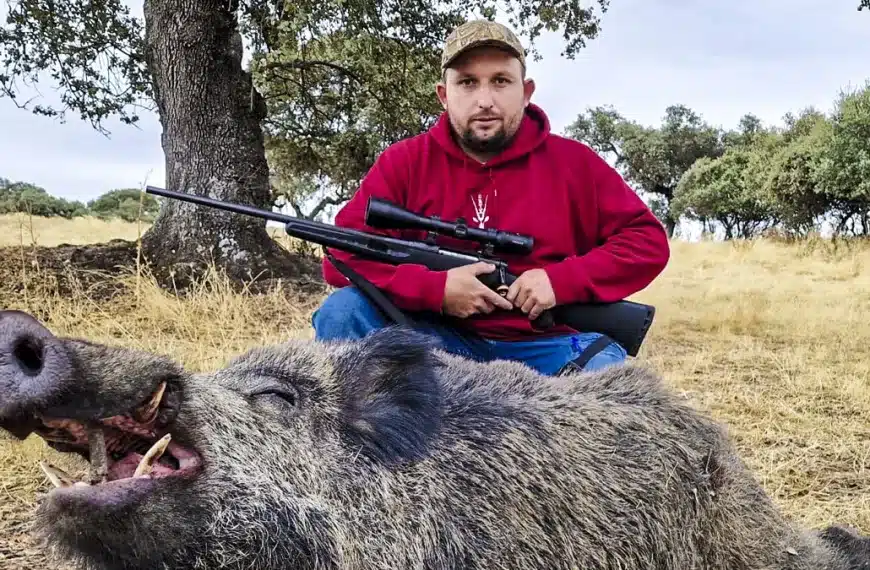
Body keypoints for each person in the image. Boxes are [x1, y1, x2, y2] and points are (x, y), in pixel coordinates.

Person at [311, 19, 670, 376]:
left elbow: (646, 241)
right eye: (467, 82)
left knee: (609, 383)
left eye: (500, 81)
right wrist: (436, 290)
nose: (484, 100)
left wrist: (559, 282)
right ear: (444, 94)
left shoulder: (576, 164)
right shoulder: (403, 162)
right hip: (431, 337)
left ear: (526, 91)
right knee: (342, 313)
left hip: (548, 344)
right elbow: (341, 255)